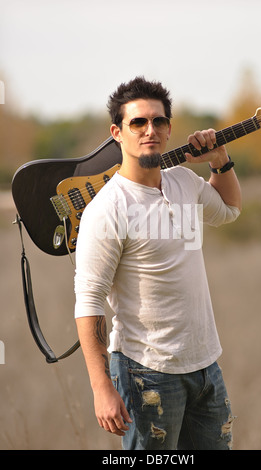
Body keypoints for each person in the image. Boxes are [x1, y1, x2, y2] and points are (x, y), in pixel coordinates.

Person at [74, 76, 242, 450]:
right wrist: (102, 388)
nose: (150, 130)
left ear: (169, 129)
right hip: (145, 373)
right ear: (117, 132)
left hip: (205, 366)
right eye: (138, 122)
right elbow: (88, 302)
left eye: (159, 121)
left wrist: (219, 159)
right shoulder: (107, 209)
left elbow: (229, 210)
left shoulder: (184, 181)